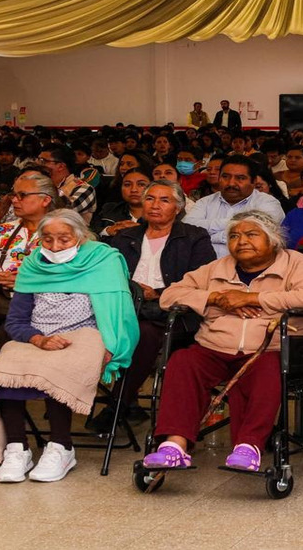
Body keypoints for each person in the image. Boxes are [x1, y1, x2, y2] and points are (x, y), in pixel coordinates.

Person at [141, 211, 303, 474]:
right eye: (234, 236)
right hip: (214, 346)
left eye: (251, 234)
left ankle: (248, 446)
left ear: (273, 239)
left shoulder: (295, 263)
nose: (242, 241)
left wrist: (252, 298)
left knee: (268, 369)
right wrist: (216, 298)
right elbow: (169, 296)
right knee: (183, 361)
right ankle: (174, 445)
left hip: (269, 348)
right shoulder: (218, 267)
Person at [0, 209, 139, 483]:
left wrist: (112, 346)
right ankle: (17, 448)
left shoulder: (103, 260)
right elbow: (16, 321)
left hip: (87, 333)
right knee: (3, 368)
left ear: (81, 236)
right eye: (47, 239)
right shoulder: (32, 265)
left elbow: (119, 313)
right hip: (37, 334)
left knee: (57, 368)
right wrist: (38, 339)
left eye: (64, 239)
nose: (54, 247)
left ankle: (61, 447)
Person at [102, 180, 215, 431]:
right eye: (150, 199)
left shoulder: (194, 237)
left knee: (143, 332)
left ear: (179, 207)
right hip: (125, 308)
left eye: (164, 200)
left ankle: (116, 405)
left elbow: (202, 281)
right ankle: (125, 403)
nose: (155, 205)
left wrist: (158, 294)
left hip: (172, 312)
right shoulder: (125, 237)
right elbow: (107, 275)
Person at [0, 172, 60, 325]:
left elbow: (68, 270)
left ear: (45, 200)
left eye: (22, 195)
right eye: (14, 195)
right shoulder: (2, 230)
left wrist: (26, 280)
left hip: (46, 310)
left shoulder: (64, 235)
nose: (14, 200)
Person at [183, 155, 285, 257]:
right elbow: (187, 228)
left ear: (253, 182)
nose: (231, 183)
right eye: (225, 177)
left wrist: (208, 237)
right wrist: (234, 224)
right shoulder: (204, 202)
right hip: (204, 264)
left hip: (249, 264)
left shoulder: (268, 203)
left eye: (240, 178)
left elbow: (256, 235)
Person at [38, 144, 97, 224]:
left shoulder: (84, 189)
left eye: (43, 161)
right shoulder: (39, 184)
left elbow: (60, 213)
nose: (38, 164)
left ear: (61, 166)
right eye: (38, 159)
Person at [93, 167, 149, 237]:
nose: (133, 190)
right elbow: (91, 231)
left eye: (141, 184)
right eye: (127, 185)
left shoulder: (159, 214)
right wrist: (108, 231)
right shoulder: (109, 209)